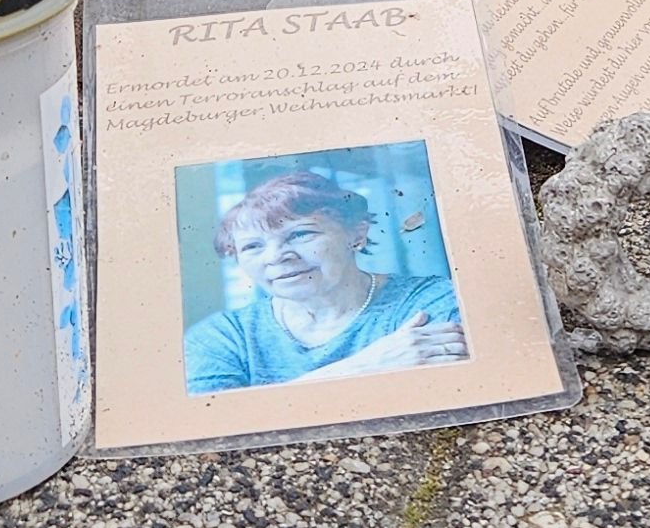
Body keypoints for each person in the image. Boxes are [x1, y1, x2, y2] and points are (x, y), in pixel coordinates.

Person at [185, 166, 467, 393]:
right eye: (252, 246)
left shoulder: (434, 302)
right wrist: (364, 368)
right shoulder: (220, 337)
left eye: (299, 234)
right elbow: (213, 426)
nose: (276, 257)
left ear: (356, 234)